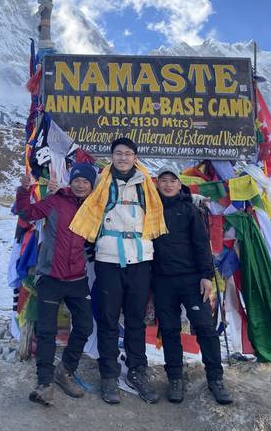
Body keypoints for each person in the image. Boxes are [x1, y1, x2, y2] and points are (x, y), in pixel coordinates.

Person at [70, 137, 167, 405]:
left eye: (128, 153)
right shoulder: (101, 183)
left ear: (135, 157)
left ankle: (138, 371)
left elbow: (162, 209)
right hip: (108, 257)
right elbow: (82, 205)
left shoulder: (147, 185)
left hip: (140, 258)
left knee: (135, 318)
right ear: (112, 156)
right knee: (109, 319)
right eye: (118, 153)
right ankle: (109, 375)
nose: (123, 158)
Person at [14, 163, 97, 406]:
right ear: (70, 181)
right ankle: (45, 383)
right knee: (47, 331)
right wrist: (24, 189)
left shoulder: (94, 208)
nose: (80, 185)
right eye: (77, 180)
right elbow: (27, 213)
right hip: (50, 277)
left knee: (84, 326)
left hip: (77, 280)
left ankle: (66, 370)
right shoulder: (55, 201)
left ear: (92, 186)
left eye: (86, 182)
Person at [153, 164, 233, 405]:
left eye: (172, 181)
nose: (168, 185)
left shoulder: (189, 210)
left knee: (205, 328)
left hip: (191, 279)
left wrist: (206, 276)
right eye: (163, 180)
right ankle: (175, 378)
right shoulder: (150, 209)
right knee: (168, 329)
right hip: (161, 280)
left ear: (180, 184)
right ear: (158, 184)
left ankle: (215, 379)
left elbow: (201, 244)